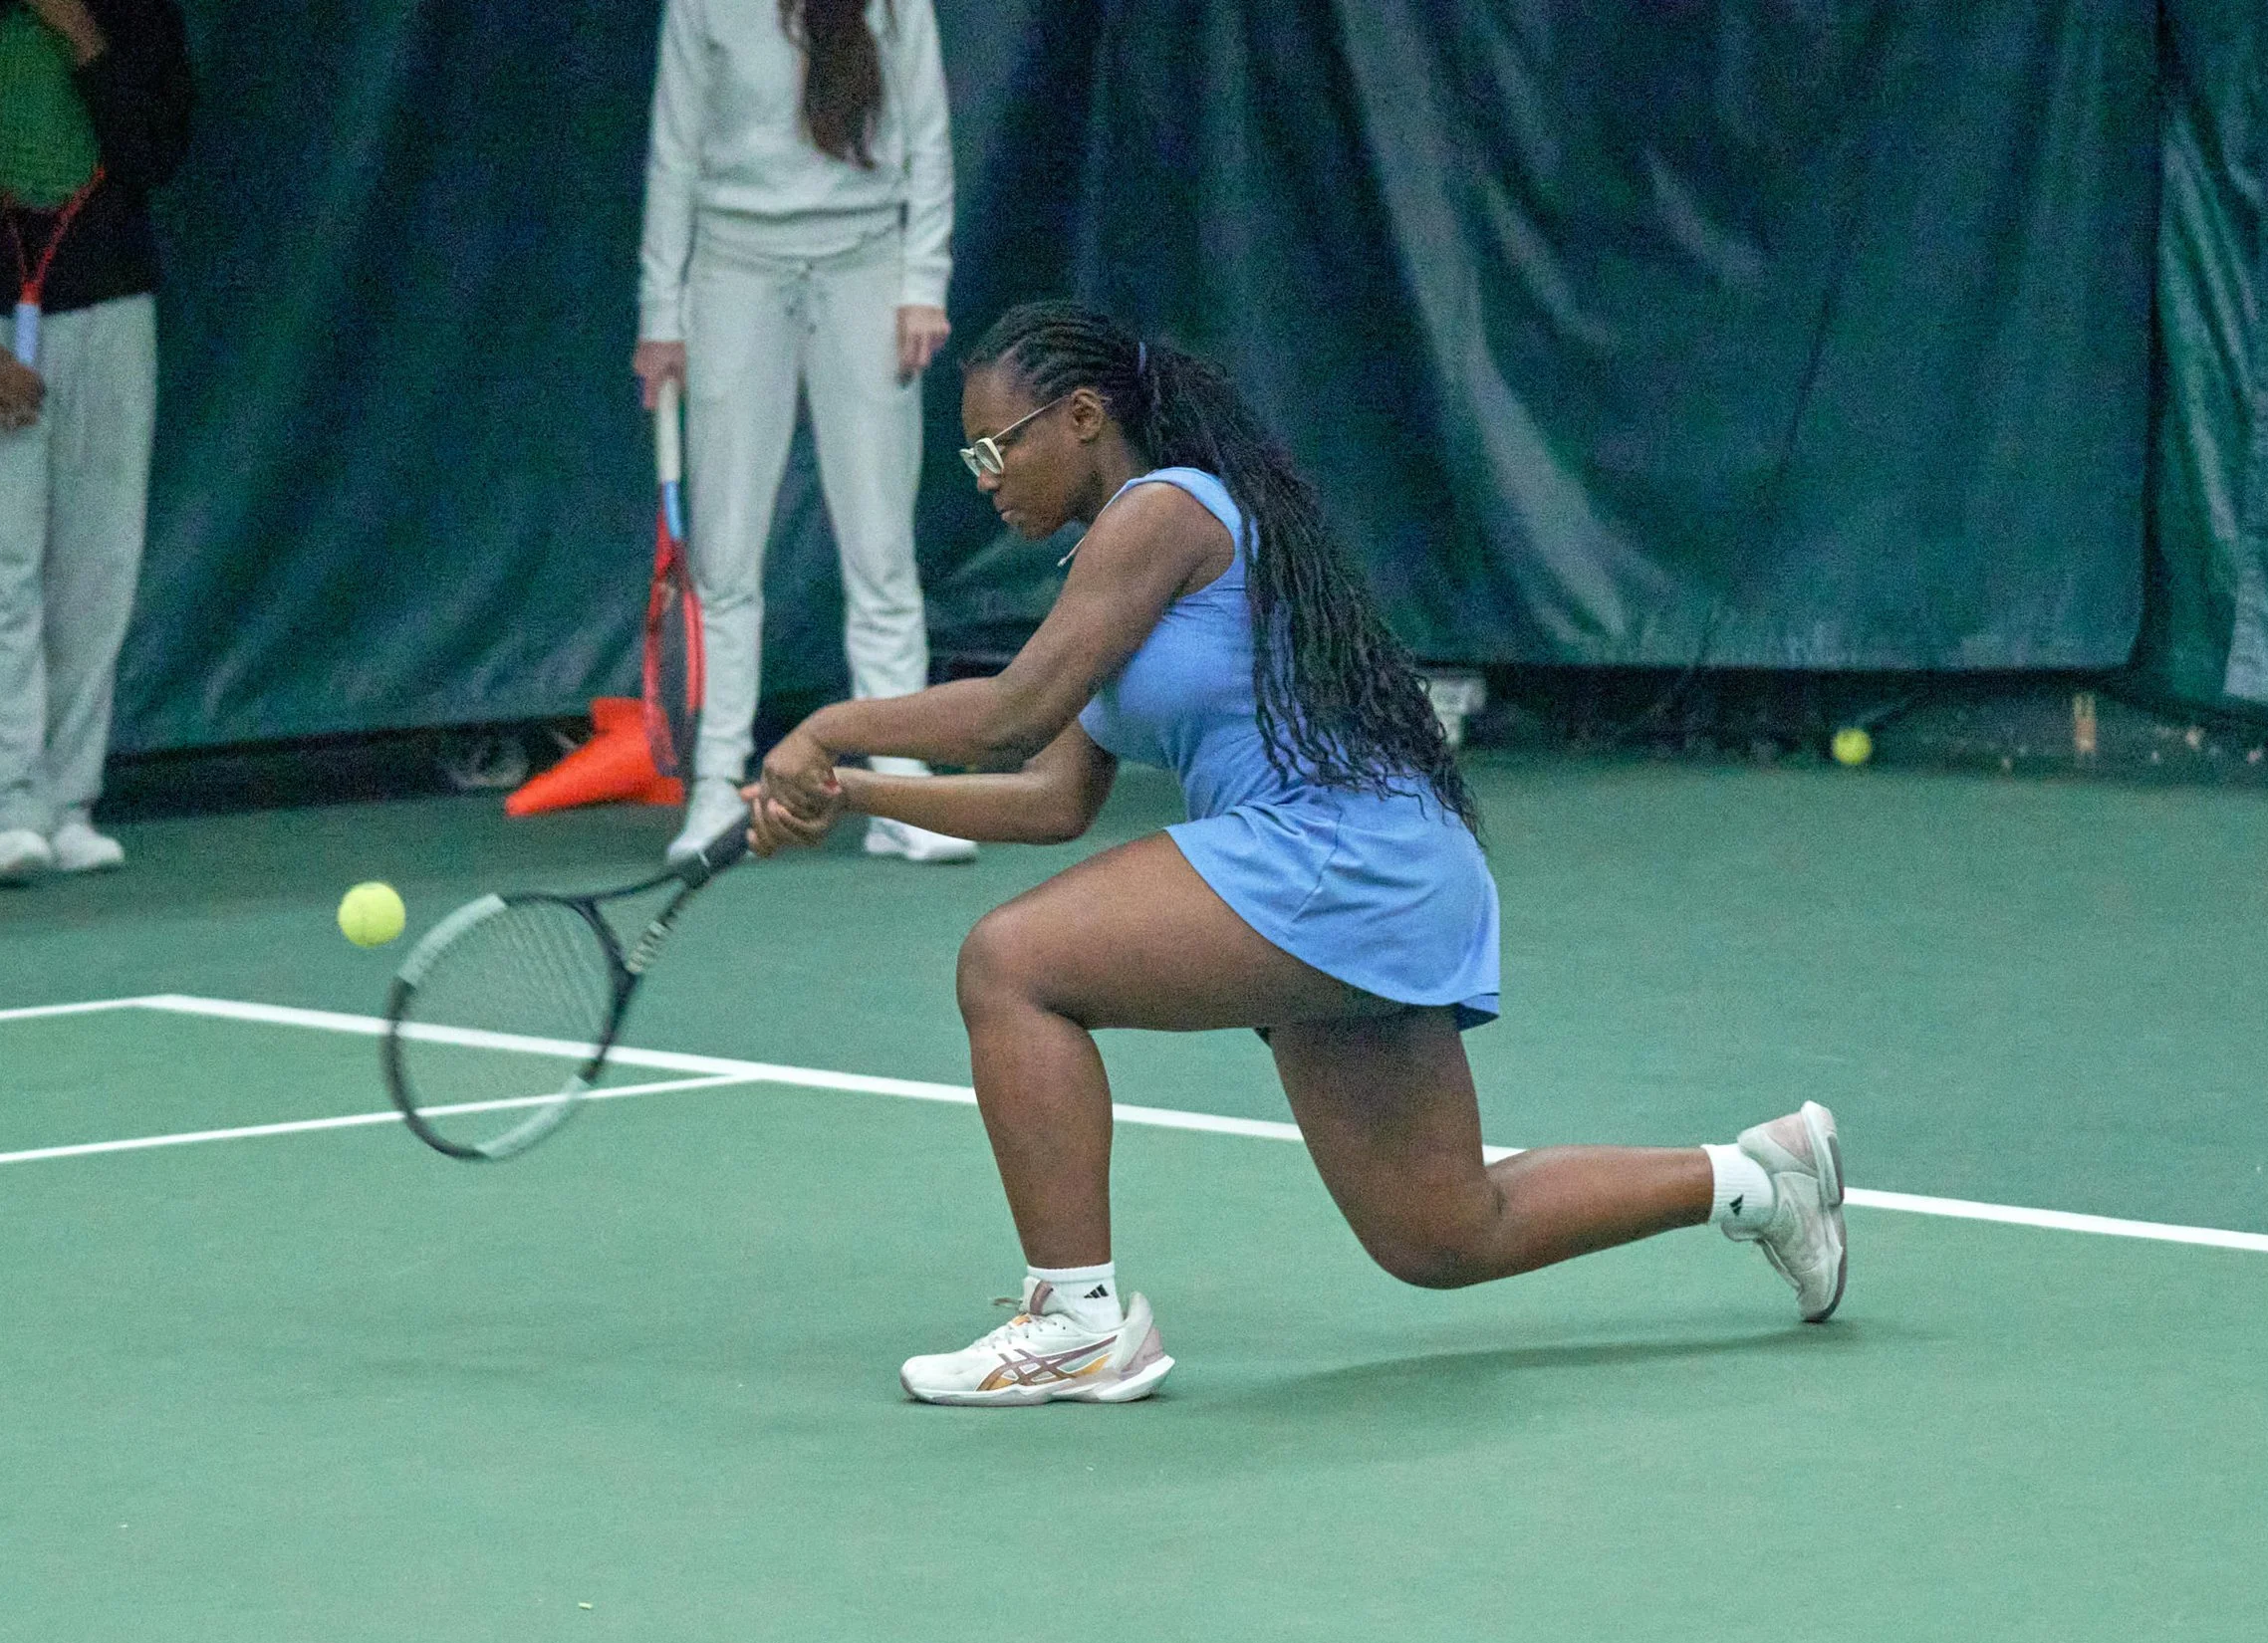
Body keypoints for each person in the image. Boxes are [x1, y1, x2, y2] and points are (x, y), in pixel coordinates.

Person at [742, 301, 1848, 1405]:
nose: (985, 479)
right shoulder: (1116, 557)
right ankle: (1759, 1179)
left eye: (996, 447)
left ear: (1080, 418)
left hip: (1336, 850)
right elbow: (1052, 799)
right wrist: (851, 793)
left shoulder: (1161, 512)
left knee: (1009, 963)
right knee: (1442, 1233)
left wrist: (828, 728)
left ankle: (1074, 1323)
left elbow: (1008, 717)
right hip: (1370, 873)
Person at [633, 0, 973, 866]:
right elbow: (673, 151)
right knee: (725, 560)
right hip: (732, 273)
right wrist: (661, 316)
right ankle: (718, 788)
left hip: (868, 267)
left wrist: (923, 284)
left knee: (882, 555)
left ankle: (899, 793)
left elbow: (929, 137)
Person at [0, 0, 190, 887]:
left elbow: (157, 153)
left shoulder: (137, 11)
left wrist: (81, 34)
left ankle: (68, 803)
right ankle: (4, 810)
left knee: (98, 567)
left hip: (112, 311)